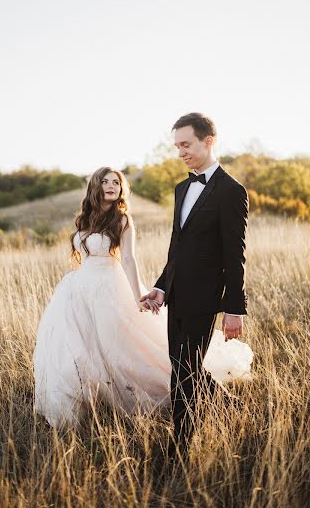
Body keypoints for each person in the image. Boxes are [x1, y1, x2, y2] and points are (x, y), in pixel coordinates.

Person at [34, 162, 252, 429]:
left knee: (124, 348)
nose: (111, 186)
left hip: (109, 287)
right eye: (105, 182)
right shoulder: (84, 219)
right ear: (95, 186)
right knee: (76, 347)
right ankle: (81, 403)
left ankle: (190, 396)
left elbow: (128, 260)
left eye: (116, 182)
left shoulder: (122, 220)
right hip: (79, 289)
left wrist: (139, 295)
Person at [141, 112, 251, 457]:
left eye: (186, 145)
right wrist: (161, 286)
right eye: (177, 146)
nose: (180, 153)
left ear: (208, 141)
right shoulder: (181, 189)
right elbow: (177, 248)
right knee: (182, 366)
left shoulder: (232, 191)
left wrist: (234, 309)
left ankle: (180, 448)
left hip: (205, 297)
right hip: (176, 295)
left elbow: (235, 256)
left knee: (185, 373)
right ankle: (230, 406)